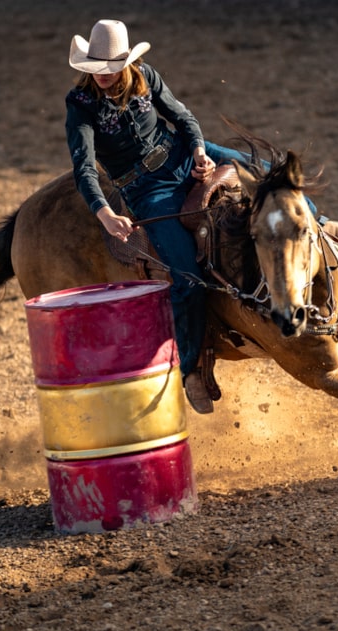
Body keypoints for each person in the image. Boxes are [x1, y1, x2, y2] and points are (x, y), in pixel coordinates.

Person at [65, 19, 249, 414]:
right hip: (148, 190)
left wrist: (200, 150)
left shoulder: (146, 76)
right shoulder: (79, 105)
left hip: (183, 155)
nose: (104, 75)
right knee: (186, 278)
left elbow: (182, 117)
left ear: (126, 63)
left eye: (111, 67)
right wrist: (106, 215)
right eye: (97, 68)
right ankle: (192, 371)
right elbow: (83, 168)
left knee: (263, 168)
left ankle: (317, 226)